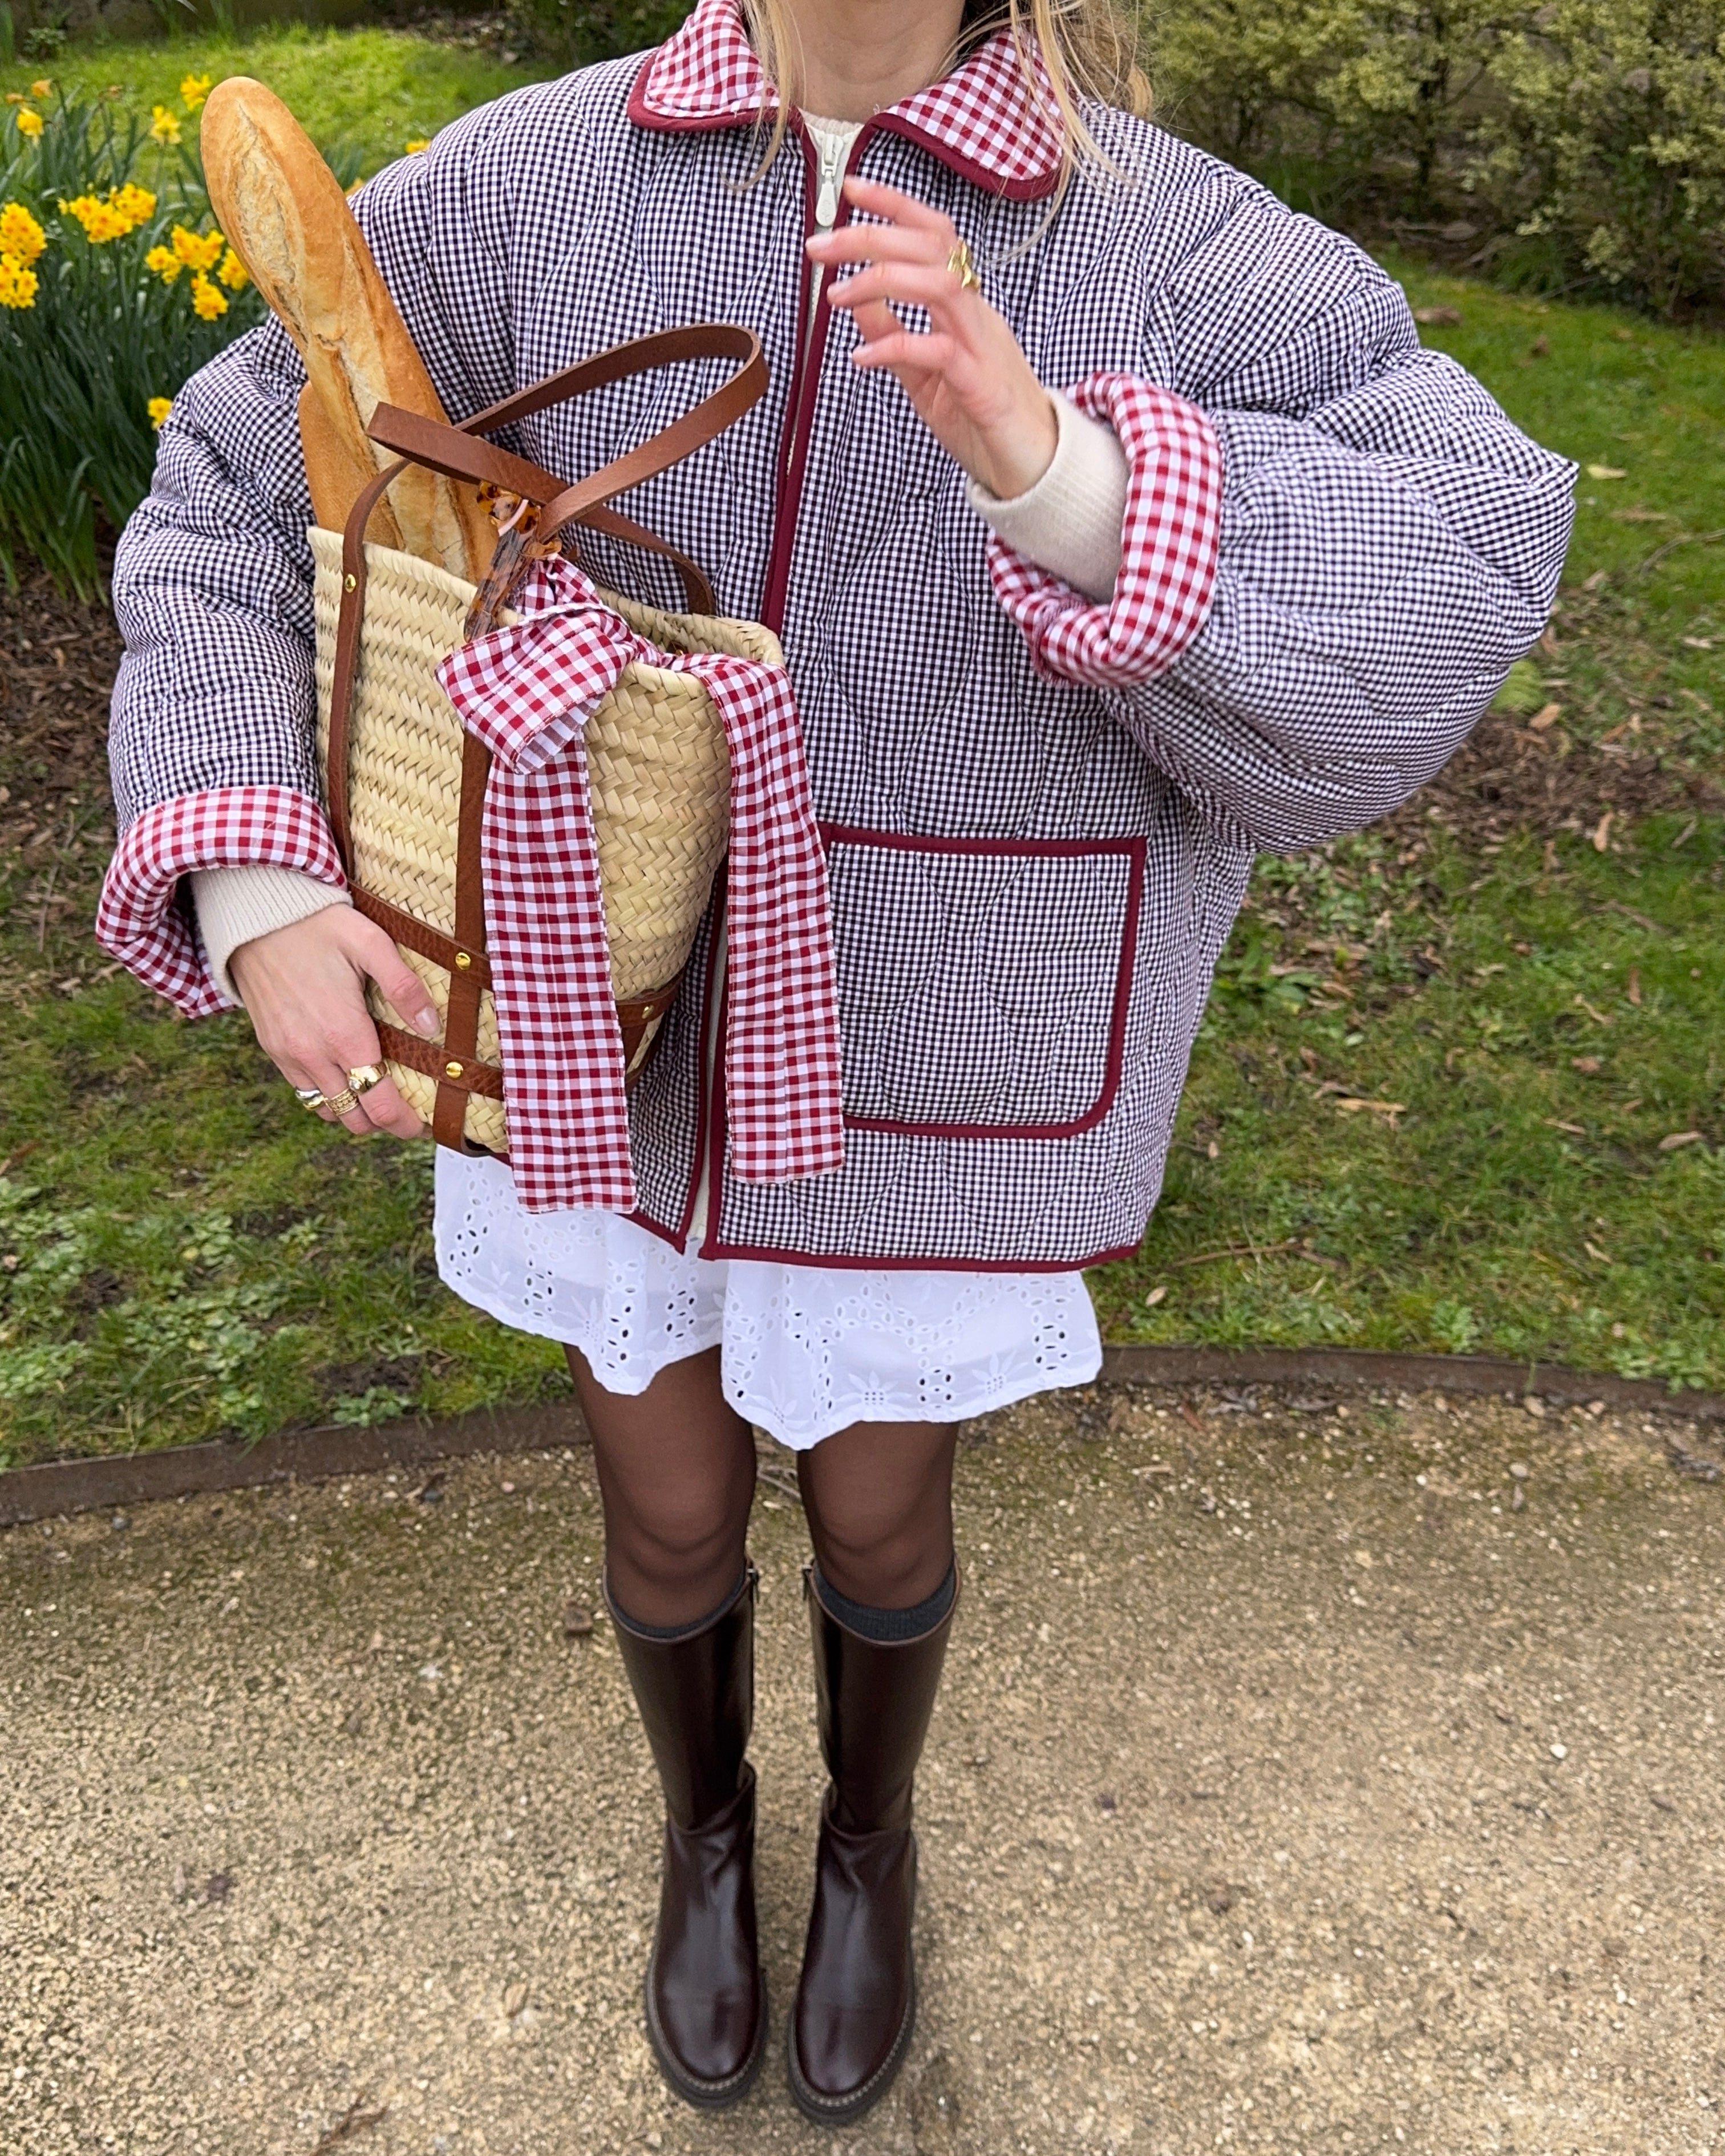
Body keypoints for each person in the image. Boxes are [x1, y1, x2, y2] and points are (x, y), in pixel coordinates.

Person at [102, 0, 1574, 2121]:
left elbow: (1466, 544)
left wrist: (1059, 464)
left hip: (950, 1054)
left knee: (883, 1518)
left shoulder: (1162, 235)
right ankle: (705, 1835)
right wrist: (250, 874)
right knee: (670, 1510)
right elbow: (237, 467)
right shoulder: (538, 174)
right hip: (591, 1035)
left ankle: (866, 1848)